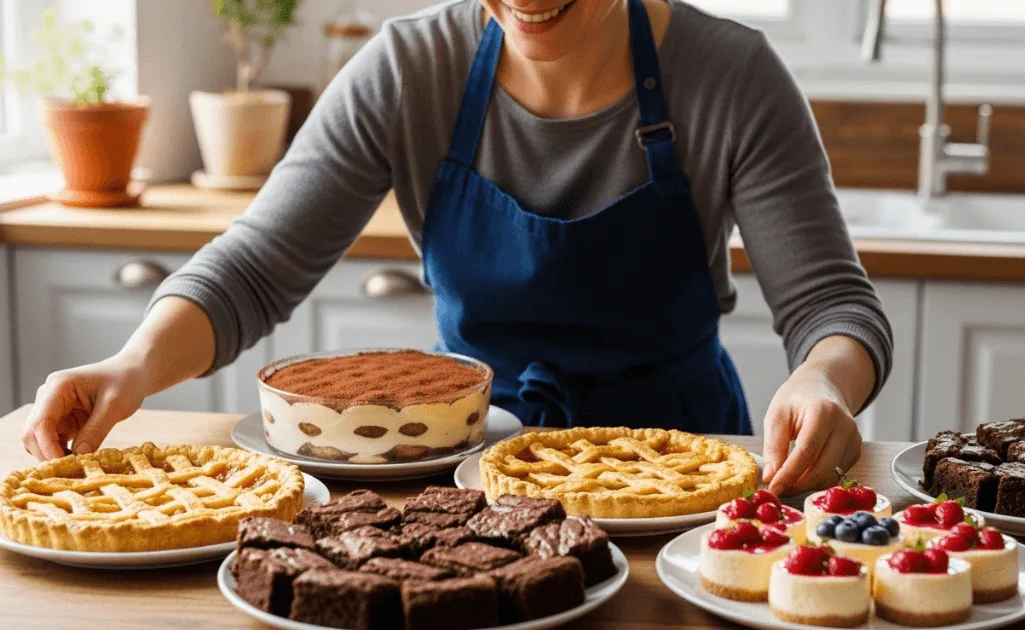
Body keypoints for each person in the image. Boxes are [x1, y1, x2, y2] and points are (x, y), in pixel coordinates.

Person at [21, 0, 892, 496]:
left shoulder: (732, 74)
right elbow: (255, 267)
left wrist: (821, 378)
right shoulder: (409, 68)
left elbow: (832, 307)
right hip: (458, 473)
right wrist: (132, 367)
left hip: (684, 482)